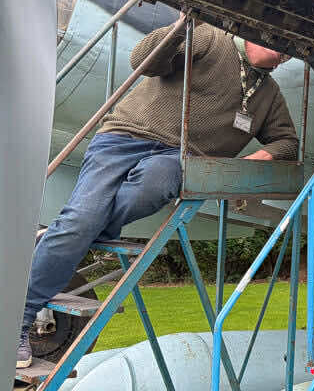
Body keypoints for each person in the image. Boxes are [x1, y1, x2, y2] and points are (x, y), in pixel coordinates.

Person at [16, 19, 298, 368]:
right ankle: (18, 321)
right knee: (79, 220)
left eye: (292, 47)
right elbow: (143, 61)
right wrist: (183, 24)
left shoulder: (269, 95)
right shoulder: (209, 37)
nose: (285, 49)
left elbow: (288, 141)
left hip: (175, 157)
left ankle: (75, 233)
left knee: (154, 184)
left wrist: (260, 157)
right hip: (122, 138)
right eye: (280, 38)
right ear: (258, 29)